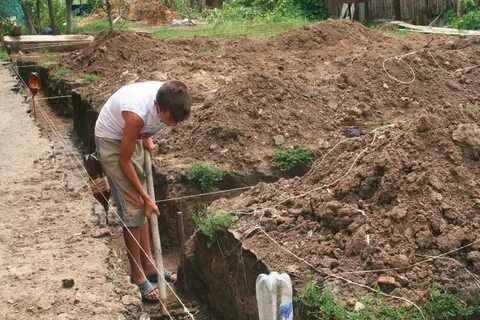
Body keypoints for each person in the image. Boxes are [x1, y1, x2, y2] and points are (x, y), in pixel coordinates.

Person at [94, 80, 191, 302]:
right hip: (112, 141)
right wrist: (145, 197)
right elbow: (124, 161)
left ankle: (148, 265)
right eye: (170, 119)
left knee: (143, 207)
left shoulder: (170, 95)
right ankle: (137, 276)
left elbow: (148, 122)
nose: (173, 125)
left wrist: (146, 137)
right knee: (134, 207)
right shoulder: (136, 115)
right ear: (159, 107)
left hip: (131, 135)